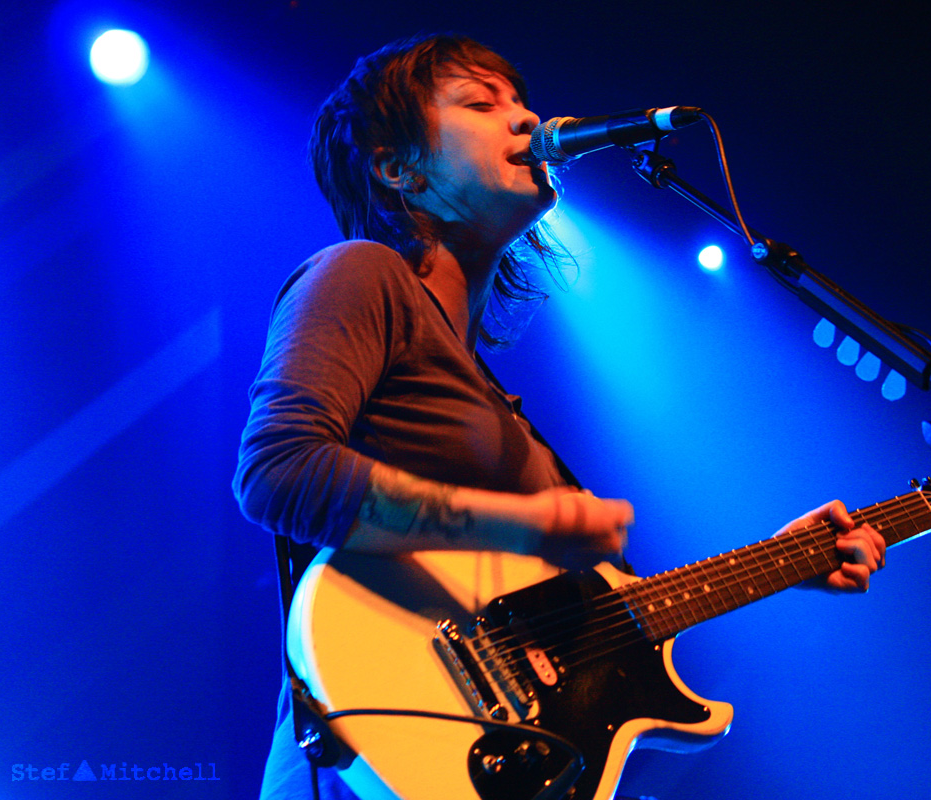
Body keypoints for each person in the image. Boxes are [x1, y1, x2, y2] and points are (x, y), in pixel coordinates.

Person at [232, 33, 887, 800]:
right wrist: (522, 524)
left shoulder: (481, 386)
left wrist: (783, 560)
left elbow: (582, 625)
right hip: (377, 750)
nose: (526, 118)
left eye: (520, 101)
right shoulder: (362, 272)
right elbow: (276, 472)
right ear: (397, 168)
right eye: (481, 105)